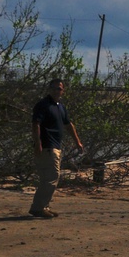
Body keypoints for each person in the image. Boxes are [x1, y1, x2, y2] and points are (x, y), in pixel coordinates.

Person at [29, 79, 83, 218]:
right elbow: (36, 124)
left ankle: (43, 206)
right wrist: (38, 143)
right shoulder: (43, 105)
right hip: (47, 146)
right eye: (53, 88)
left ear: (63, 91)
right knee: (52, 177)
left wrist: (77, 141)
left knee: (49, 178)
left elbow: (69, 124)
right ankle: (38, 208)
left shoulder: (60, 106)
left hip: (56, 146)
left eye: (59, 89)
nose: (56, 91)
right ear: (49, 89)